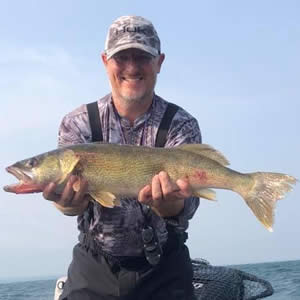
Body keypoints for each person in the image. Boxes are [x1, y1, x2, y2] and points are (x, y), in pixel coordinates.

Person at [43, 15, 202, 300]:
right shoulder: (77, 123)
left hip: (164, 269)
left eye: (141, 56)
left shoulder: (181, 124)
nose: (131, 67)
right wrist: (67, 206)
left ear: (159, 62)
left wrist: (171, 205)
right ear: (105, 61)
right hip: (95, 266)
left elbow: (188, 206)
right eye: (121, 58)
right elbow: (73, 207)